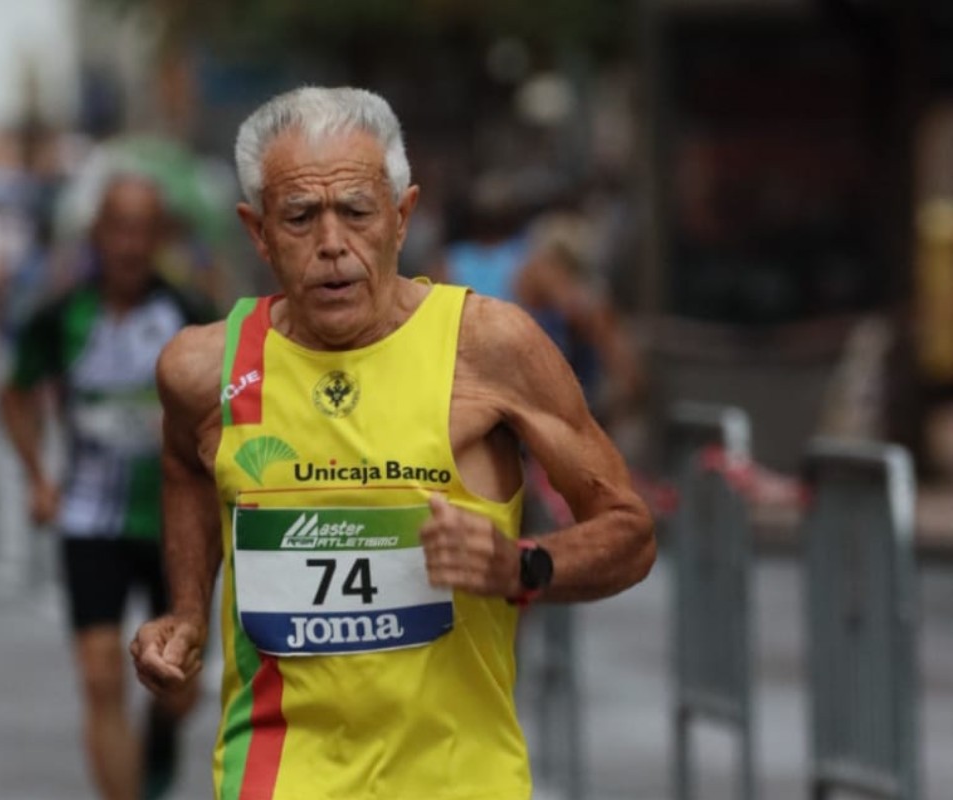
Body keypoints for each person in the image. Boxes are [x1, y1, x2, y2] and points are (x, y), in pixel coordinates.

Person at [130, 87, 656, 800]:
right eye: (299, 217)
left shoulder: (486, 348)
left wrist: (519, 566)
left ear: (401, 216)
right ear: (256, 232)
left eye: (355, 211)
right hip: (278, 777)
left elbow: (628, 531)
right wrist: (188, 609)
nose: (331, 245)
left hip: (456, 780)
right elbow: (184, 469)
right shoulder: (201, 372)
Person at [0, 174, 211, 800]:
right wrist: (38, 476)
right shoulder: (63, 315)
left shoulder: (190, 316)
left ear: (161, 238)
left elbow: (235, 409)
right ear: (97, 235)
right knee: (99, 680)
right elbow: (13, 394)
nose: (129, 245)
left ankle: (164, 740)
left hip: (178, 523)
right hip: (90, 519)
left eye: (143, 230)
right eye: (118, 228)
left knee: (180, 688)